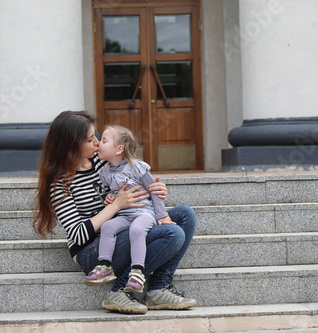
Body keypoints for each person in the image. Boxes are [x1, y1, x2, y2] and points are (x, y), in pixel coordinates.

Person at [33, 110, 197, 314]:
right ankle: (118, 291)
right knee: (173, 234)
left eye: (97, 136)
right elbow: (78, 235)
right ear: (72, 144)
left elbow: (135, 177)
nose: (97, 142)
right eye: (90, 139)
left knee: (185, 215)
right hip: (92, 251)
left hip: (124, 226)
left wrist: (155, 190)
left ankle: (158, 288)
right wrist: (115, 206)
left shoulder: (102, 162)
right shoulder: (60, 183)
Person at [84, 125, 176, 294]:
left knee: (137, 229)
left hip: (144, 213)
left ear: (119, 149)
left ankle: (137, 271)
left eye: (103, 141)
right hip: (125, 215)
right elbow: (111, 193)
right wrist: (109, 198)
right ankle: (104, 266)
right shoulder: (104, 172)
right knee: (108, 227)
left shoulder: (137, 167)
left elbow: (154, 191)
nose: (98, 144)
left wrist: (162, 215)